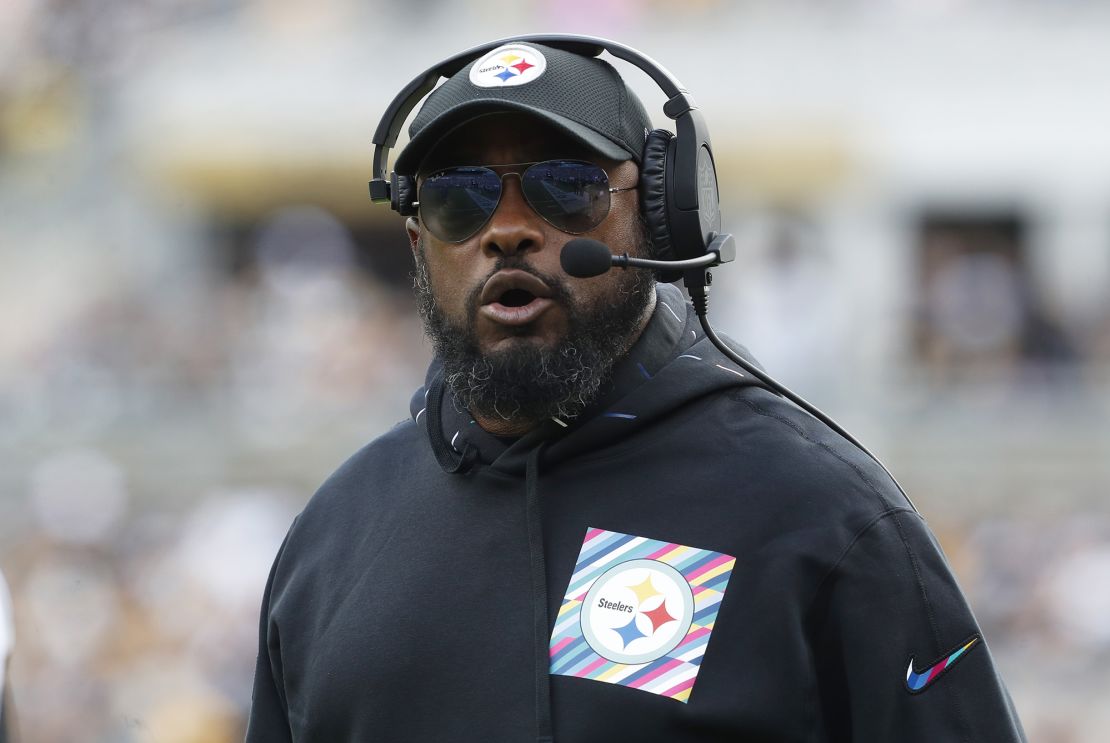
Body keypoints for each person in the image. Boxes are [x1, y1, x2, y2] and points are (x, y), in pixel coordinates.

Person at [246, 38, 1026, 742]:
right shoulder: (334, 536)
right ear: (420, 245)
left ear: (660, 217)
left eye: (566, 185)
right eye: (460, 195)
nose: (507, 228)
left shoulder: (823, 512)